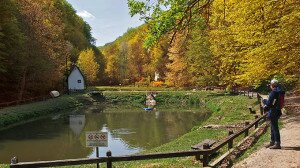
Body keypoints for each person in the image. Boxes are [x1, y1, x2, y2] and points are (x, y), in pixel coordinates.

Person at [263, 79, 283, 149]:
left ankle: (277, 143)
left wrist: (264, 100)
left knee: (274, 127)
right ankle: (272, 142)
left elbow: (269, 103)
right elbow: (274, 102)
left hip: (273, 112)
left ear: (272, 85)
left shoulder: (273, 92)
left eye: (270, 85)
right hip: (277, 111)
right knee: (272, 127)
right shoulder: (279, 91)